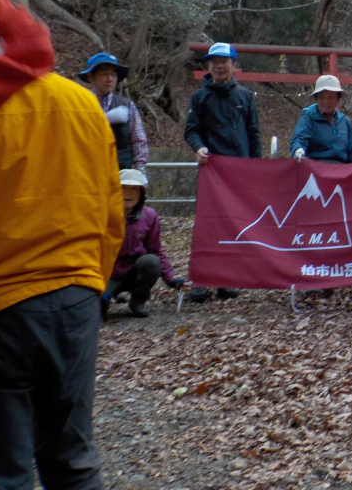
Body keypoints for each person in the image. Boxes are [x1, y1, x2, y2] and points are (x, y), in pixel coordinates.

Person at [0, 0, 124, 490]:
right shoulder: (83, 104)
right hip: (76, 298)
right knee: (72, 456)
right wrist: (95, 285)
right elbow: (111, 214)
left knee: (0, 470)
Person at [184, 42, 260, 303]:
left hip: (239, 171)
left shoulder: (245, 96)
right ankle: (200, 280)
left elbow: (253, 133)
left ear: (234, 66)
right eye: (213, 61)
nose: (218, 65)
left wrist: (256, 167)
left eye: (224, 61)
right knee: (208, 224)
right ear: (208, 66)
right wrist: (199, 147)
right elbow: (191, 130)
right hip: (212, 171)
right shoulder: (200, 97)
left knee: (234, 225)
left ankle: (226, 279)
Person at [101, 169, 184, 319]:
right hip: (107, 274)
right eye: (124, 188)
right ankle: (103, 301)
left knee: (151, 261)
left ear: (141, 193)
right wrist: (97, 288)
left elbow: (156, 250)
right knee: (96, 312)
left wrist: (171, 279)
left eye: (134, 189)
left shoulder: (149, 215)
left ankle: (137, 301)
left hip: (135, 271)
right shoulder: (102, 214)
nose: (128, 193)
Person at [78, 52, 150, 171]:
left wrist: (140, 170)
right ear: (91, 77)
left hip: (120, 174)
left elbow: (138, 140)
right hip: (86, 173)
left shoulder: (127, 106)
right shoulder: (79, 104)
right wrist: (106, 119)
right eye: (104, 74)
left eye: (113, 75)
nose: (110, 79)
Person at [290, 74, 352, 164]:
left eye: (331, 97)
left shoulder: (345, 122)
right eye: (321, 97)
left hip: (342, 170)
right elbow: (299, 140)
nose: (326, 101)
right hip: (316, 169)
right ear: (317, 99)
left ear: (338, 98)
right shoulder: (309, 117)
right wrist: (298, 151)